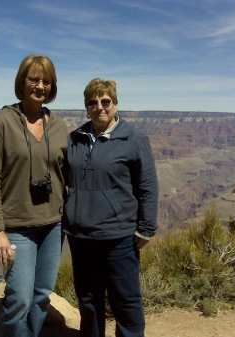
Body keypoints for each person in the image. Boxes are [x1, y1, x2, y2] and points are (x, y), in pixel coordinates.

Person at [63, 78, 158, 337]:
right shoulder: (74, 139)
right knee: (89, 302)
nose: (99, 107)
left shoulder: (134, 139)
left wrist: (146, 228)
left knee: (125, 301)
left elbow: (147, 186)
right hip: (81, 236)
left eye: (106, 102)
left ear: (116, 104)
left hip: (119, 236)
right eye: (92, 103)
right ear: (86, 106)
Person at [0, 55, 67, 337]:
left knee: (42, 295)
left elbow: (69, 174)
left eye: (45, 80)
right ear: (22, 81)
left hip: (53, 225)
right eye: (33, 79)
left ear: (51, 86)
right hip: (17, 227)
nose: (39, 85)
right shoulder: (1, 123)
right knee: (19, 297)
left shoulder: (58, 126)